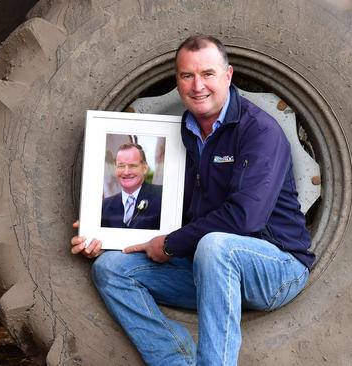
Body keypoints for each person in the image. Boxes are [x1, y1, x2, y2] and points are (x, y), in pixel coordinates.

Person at [71, 35, 315, 366]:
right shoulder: (181, 133)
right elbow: (166, 211)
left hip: (276, 267)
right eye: (187, 76)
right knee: (111, 269)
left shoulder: (259, 131)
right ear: (178, 81)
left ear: (228, 76)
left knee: (216, 247)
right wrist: (107, 233)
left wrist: (170, 244)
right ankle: (176, 360)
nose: (197, 85)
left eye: (208, 74)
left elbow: (246, 219)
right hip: (207, 269)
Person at [101, 142, 162, 229]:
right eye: (121, 166)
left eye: (132, 166)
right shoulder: (105, 206)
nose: (126, 172)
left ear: (145, 168)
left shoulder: (163, 197)